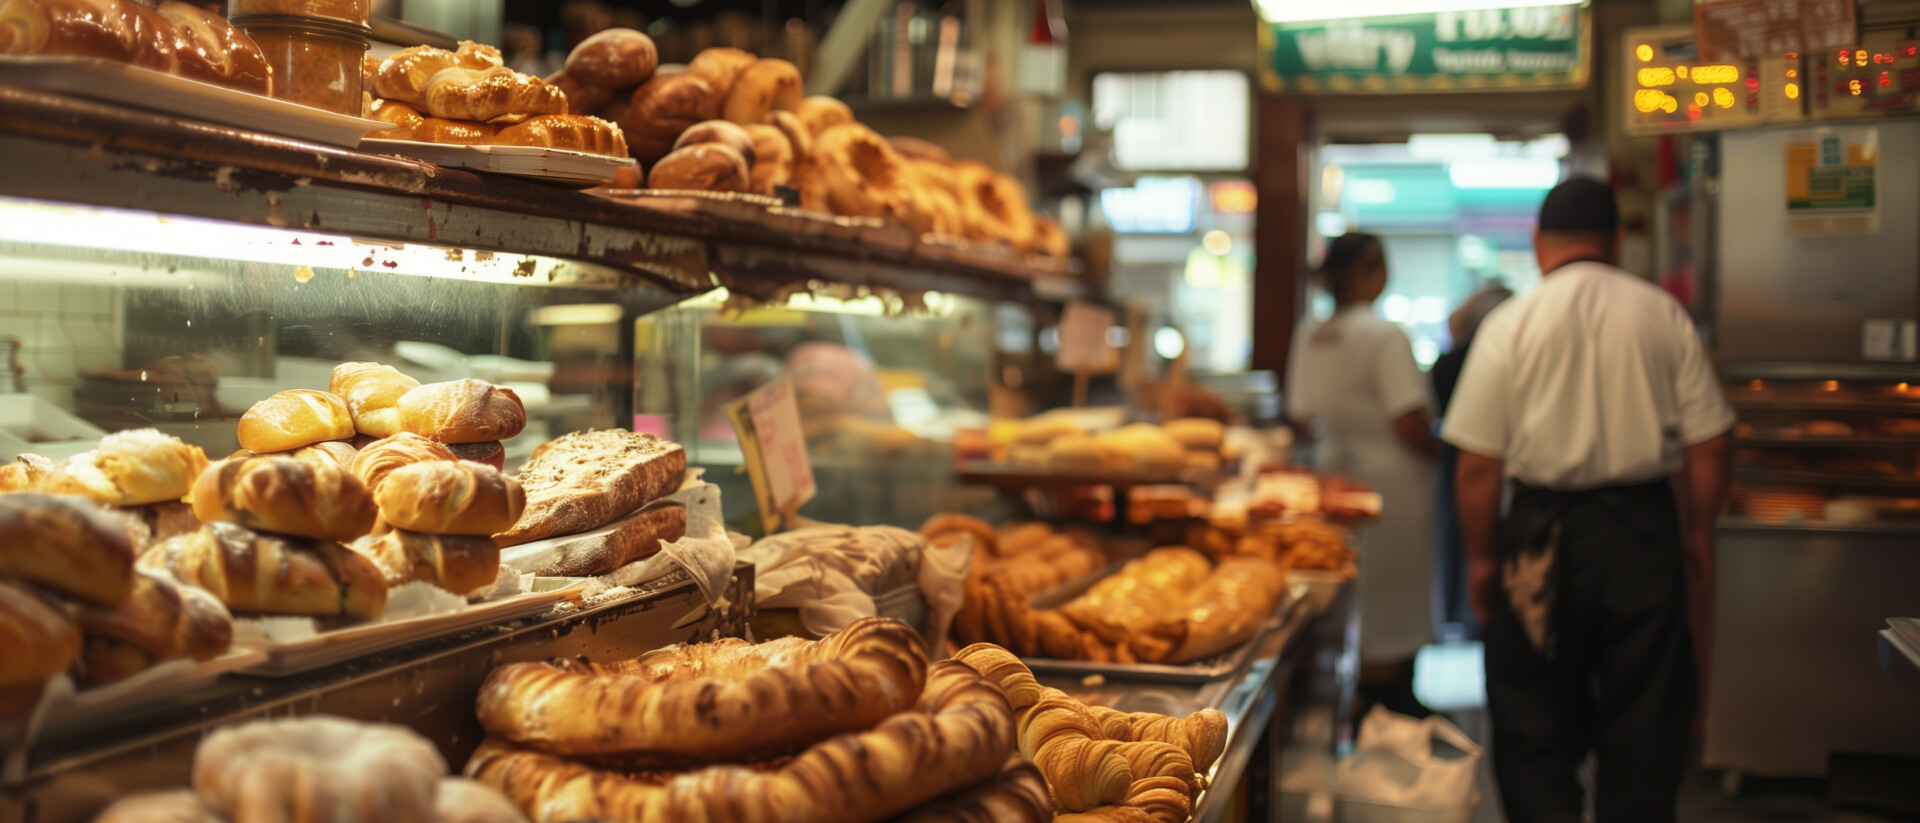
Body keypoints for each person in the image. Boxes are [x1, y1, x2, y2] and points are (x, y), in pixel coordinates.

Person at [1441, 178, 1733, 823]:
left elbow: (1478, 465)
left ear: (1538, 241)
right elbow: (1711, 444)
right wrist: (1697, 533)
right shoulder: (1662, 314)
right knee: (1646, 713)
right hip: (1643, 535)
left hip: (1540, 541)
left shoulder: (1512, 322)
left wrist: (1483, 561)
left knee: (1531, 716)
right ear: (1617, 240)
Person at [1286, 232, 1437, 720]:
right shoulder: (1384, 335)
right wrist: (1443, 454)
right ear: (1370, 270)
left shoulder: (1311, 333)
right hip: (1392, 485)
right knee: (1393, 599)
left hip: (1333, 477)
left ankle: (1360, 699)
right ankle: (1390, 703)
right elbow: (1407, 419)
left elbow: (1300, 416)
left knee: (1357, 596)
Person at [1430, 284, 1512, 638]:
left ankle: (1458, 612)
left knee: (1455, 536)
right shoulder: (1493, 352)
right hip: (1492, 463)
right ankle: (1476, 615)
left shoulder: (1452, 359)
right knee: (1485, 541)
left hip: (1457, 459)